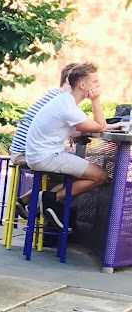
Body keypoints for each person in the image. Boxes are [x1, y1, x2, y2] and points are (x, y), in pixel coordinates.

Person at [25, 62, 113, 228]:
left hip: (40, 154)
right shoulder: (68, 108)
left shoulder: (64, 100)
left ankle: (47, 201)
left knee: (80, 172)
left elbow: (87, 125)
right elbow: (100, 126)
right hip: (47, 157)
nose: (98, 86)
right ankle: (51, 200)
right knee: (100, 175)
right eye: (94, 82)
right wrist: (96, 100)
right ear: (82, 85)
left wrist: (112, 125)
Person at [9, 64, 78, 219]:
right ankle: (45, 204)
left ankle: (28, 201)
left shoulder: (54, 95)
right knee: (73, 176)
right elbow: (80, 128)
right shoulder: (60, 99)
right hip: (25, 153)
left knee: (62, 173)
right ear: (70, 80)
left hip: (21, 151)